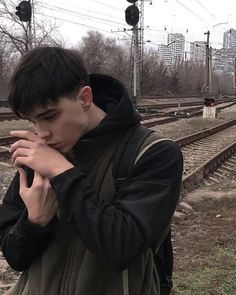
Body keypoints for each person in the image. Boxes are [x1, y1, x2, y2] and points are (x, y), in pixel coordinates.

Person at [0, 46, 183, 295]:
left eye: (50, 116)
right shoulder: (38, 156)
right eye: (33, 121)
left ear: (85, 98)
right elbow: (15, 257)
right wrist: (35, 223)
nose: (41, 133)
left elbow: (121, 248)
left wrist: (62, 173)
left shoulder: (154, 153)